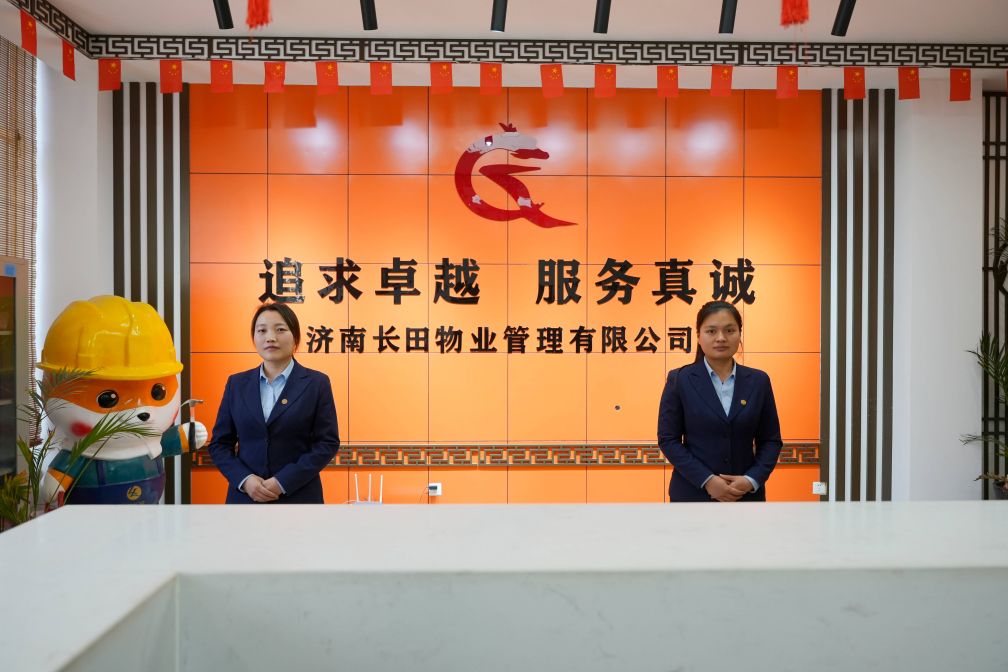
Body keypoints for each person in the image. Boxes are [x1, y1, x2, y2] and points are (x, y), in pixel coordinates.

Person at [207, 303, 340, 504]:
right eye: (262, 330)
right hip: (245, 500)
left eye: (280, 329)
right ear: (254, 338)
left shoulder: (316, 383)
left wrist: (283, 482)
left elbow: (327, 443)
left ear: (295, 337)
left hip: (299, 499)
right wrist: (245, 480)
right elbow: (219, 444)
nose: (270, 337)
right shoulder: (237, 384)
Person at [657, 301, 783, 502]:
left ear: (740, 334)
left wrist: (751, 480)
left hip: (745, 495)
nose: (721, 338)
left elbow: (771, 440)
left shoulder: (759, 381)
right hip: (692, 495)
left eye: (730, 330)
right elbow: (668, 439)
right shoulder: (680, 379)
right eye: (711, 331)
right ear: (698, 336)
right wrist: (707, 480)